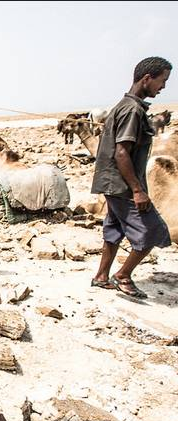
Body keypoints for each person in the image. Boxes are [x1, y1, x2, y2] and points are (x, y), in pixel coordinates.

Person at [90, 56, 172, 299]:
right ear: (147, 78)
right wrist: (138, 190)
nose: (164, 87)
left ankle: (102, 276)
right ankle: (123, 275)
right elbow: (122, 152)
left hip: (112, 183)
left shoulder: (123, 106)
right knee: (152, 231)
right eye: (162, 81)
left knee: (114, 229)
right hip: (123, 185)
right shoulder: (133, 110)